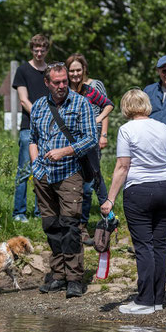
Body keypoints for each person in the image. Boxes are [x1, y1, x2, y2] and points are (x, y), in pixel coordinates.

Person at [100, 89, 166, 314]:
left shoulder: (126, 130)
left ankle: (145, 300)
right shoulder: (164, 129)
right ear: (146, 105)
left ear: (126, 107)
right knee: (160, 244)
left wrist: (110, 199)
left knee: (144, 246)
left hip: (139, 191)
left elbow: (123, 166)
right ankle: (158, 299)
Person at [29, 62, 98, 298]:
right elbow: (33, 138)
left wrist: (66, 151)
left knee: (70, 225)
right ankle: (58, 274)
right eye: (56, 82)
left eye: (64, 82)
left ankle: (74, 278)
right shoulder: (38, 105)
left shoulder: (81, 103)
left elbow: (91, 139)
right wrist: (34, 164)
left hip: (69, 172)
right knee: (51, 226)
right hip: (43, 175)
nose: (61, 86)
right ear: (47, 83)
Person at [66, 53, 114, 245]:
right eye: (72, 70)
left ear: (84, 70)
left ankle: (84, 225)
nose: (75, 73)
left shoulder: (90, 89)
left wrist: (99, 124)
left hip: (89, 142)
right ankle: (70, 223)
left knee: (89, 182)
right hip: (68, 144)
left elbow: (108, 105)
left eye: (78, 70)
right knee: (71, 183)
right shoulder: (63, 89)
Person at [11, 34, 50, 223]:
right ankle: (19, 212)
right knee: (25, 170)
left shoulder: (51, 72)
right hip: (29, 127)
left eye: (43, 49)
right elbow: (23, 100)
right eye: (36, 49)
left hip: (49, 129)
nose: (39, 53)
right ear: (32, 49)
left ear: (46, 50)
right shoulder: (23, 70)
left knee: (42, 170)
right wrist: (41, 116)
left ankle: (39, 212)